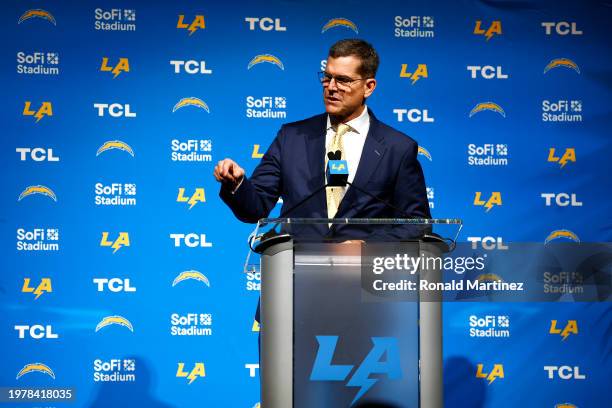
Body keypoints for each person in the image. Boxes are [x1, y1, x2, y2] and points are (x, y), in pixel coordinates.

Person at [214, 39, 430, 240]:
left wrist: (366, 248)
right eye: (327, 77)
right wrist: (237, 184)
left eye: (343, 80)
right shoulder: (291, 138)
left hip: (368, 276)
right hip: (298, 273)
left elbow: (418, 224)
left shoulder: (398, 148)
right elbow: (255, 208)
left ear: (369, 87)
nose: (332, 87)